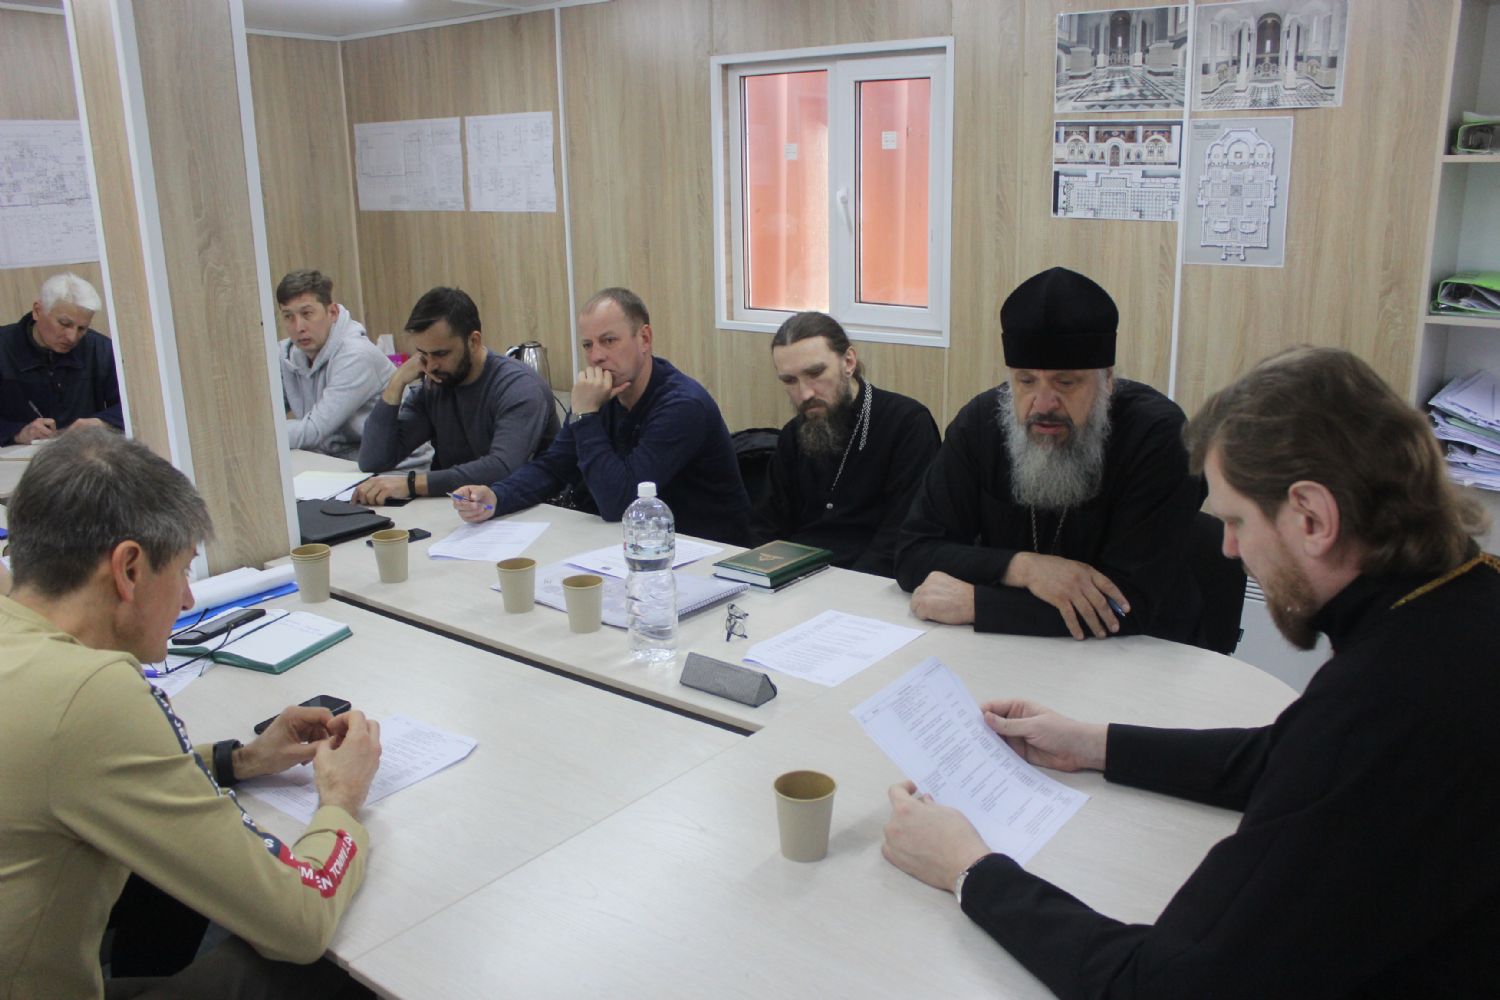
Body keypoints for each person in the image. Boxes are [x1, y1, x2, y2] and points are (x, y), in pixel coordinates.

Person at [881, 347, 1499, 998]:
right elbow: (1291, 755)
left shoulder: (1387, 698)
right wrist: (1092, 744)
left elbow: (1167, 983)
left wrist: (970, 868)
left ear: (1313, 517)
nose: (1227, 549)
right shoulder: (1452, 606)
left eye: (1235, 521)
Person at [0, 428, 383, 999]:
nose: (185, 600)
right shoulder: (90, 691)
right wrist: (342, 802)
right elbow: (299, 920)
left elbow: (79, 771)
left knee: (171, 881)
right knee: (324, 969)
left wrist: (243, 760)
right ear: (129, 569)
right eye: (181, 571)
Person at [895, 267, 1201, 641]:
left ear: (1107, 381)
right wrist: (1023, 568)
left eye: (1065, 383)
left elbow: (1126, 605)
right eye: (1026, 381)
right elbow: (913, 553)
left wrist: (980, 604)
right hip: (1011, 649)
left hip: (1143, 653)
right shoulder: (981, 422)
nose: (1042, 404)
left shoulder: (1159, 437)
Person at [452, 287, 751, 545]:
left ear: (644, 339)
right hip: (628, 546)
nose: (596, 356)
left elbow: (620, 502)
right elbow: (553, 467)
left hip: (704, 554)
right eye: (588, 345)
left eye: (609, 341)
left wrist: (585, 416)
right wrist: (497, 496)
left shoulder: (683, 405)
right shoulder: (600, 393)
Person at [750, 311, 940, 577]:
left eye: (815, 373)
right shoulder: (794, 433)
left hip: (871, 582)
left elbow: (903, 534)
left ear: (848, 362)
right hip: (796, 579)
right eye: (790, 381)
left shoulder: (906, 423)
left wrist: (844, 589)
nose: (804, 394)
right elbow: (766, 526)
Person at [355, 286, 557, 504]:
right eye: (423, 354)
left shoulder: (519, 387)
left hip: (528, 508)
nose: (431, 365)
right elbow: (373, 460)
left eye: (440, 353)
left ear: (473, 341)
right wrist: (396, 382)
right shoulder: (436, 384)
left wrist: (412, 484)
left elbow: (501, 468)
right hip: (458, 506)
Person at [276, 269, 394, 461]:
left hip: (391, 466)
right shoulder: (285, 353)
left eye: (307, 313)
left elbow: (314, 430)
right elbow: (265, 417)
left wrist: (262, 436)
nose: (299, 327)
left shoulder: (356, 355)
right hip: (336, 462)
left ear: (332, 312)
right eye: (288, 316)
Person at [0, 273, 123, 446]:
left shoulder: (100, 350)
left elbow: (132, 407)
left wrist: (102, 422)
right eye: (65, 324)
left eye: (82, 328)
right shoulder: (4, 347)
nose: (72, 337)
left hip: (84, 453)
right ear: (37, 311)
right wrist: (17, 432)